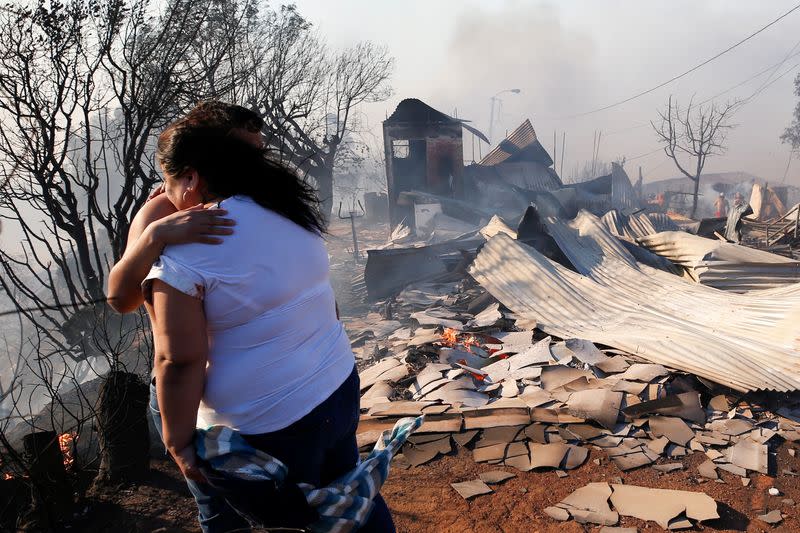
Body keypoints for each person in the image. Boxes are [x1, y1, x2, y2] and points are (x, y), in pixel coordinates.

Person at [142, 105, 395, 532]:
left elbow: (178, 360)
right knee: (348, 498)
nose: (164, 199)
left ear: (190, 178)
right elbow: (325, 305)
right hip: (335, 387)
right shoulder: (292, 212)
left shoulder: (185, 253)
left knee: (277, 520)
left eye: (166, 185)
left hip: (263, 427)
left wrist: (176, 441)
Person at [108, 102, 265, 532]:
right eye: (243, 152)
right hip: (187, 392)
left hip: (241, 387)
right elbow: (119, 296)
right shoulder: (162, 210)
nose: (254, 164)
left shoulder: (248, 205)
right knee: (221, 512)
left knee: (267, 499)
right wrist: (156, 237)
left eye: (259, 151)